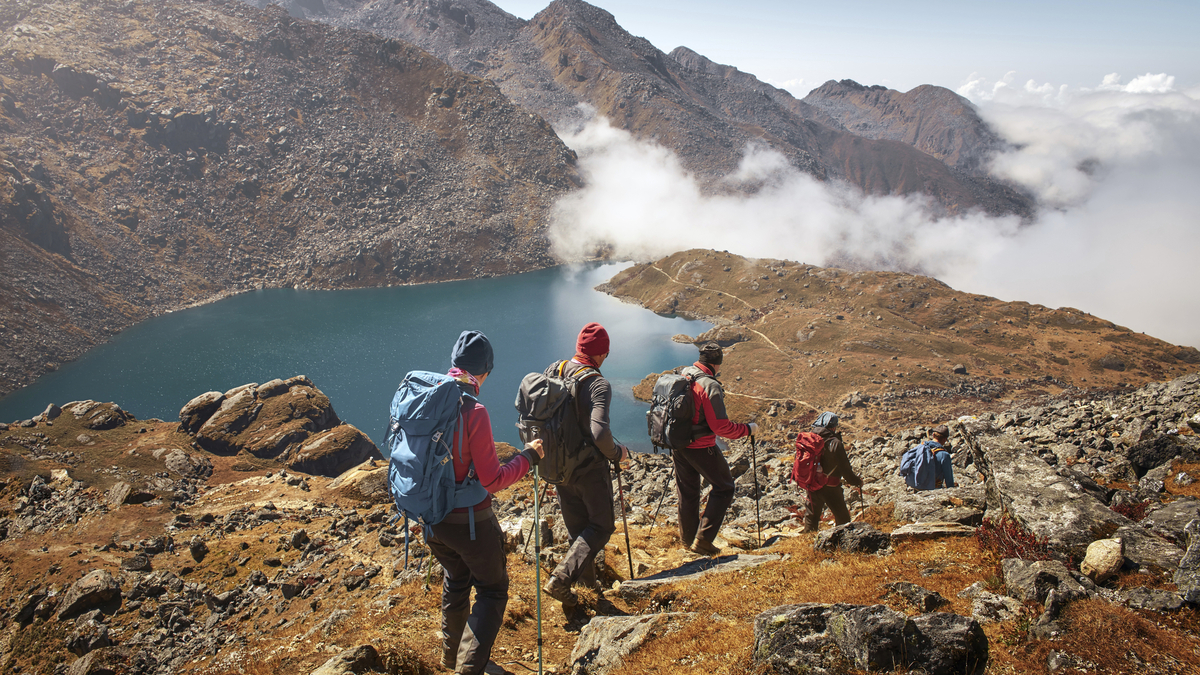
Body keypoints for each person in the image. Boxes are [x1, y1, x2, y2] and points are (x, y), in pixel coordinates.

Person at [427, 330, 544, 675]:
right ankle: (468, 669)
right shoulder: (473, 410)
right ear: (484, 372)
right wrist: (528, 458)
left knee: (456, 578)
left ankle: (452, 657)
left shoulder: (427, 396)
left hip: (430, 519)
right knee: (492, 591)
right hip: (469, 523)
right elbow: (492, 480)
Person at [540, 322, 630, 618]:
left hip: (557, 467)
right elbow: (599, 432)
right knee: (601, 526)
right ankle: (562, 579)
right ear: (602, 353)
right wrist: (618, 454)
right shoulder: (597, 383)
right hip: (588, 469)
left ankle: (585, 594)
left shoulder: (555, 368)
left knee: (579, 530)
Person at [673, 342, 757, 556]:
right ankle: (702, 541)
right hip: (701, 446)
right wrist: (747, 429)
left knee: (688, 492)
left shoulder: (686, 373)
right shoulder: (710, 385)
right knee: (725, 487)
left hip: (679, 444)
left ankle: (688, 540)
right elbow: (721, 427)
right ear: (717, 362)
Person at [802, 412, 863, 532]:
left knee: (811, 516)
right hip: (831, 486)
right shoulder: (836, 443)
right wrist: (856, 482)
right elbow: (845, 469)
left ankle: (807, 542)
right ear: (833, 427)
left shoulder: (808, 441)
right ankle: (841, 541)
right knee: (842, 517)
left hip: (812, 484)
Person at [898, 424, 955, 490]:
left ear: (933, 435)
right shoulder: (944, 455)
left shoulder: (920, 447)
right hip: (931, 487)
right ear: (945, 439)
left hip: (914, 482)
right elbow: (949, 479)